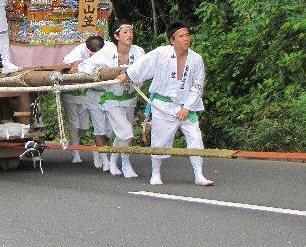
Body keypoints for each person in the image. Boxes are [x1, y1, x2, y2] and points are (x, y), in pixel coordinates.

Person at [122, 21, 214, 187]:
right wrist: (127, 74)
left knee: (196, 139)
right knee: (160, 141)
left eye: (187, 35)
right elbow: (143, 66)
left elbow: (197, 85)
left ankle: (199, 174)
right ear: (172, 40)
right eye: (181, 36)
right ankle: (155, 173)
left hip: (187, 106)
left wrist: (187, 107)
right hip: (163, 106)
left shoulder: (196, 59)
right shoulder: (161, 53)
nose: (186, 39)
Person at [79, 21, 144, 178]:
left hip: (130, 98)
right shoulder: (107, 51)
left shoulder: (138, 51)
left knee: (122, 132)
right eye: (125, 32)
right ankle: (126, 164)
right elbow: (84, 66)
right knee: (127, 132)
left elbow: (145, 68)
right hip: (111, 99)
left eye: (131, 32)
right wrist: (98, 71)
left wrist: (131, 76)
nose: (129, 35)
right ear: (116, 36)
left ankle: (114, 159)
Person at [61, 35, 104, 165]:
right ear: (87, 47)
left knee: (84, 126)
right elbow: (66, 60)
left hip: (85, 94)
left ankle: (73, 142)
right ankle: (75, 153)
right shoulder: (80, 50)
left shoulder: (104, 51)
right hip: (70, 93)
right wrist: (80, 62)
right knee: (74, 124)